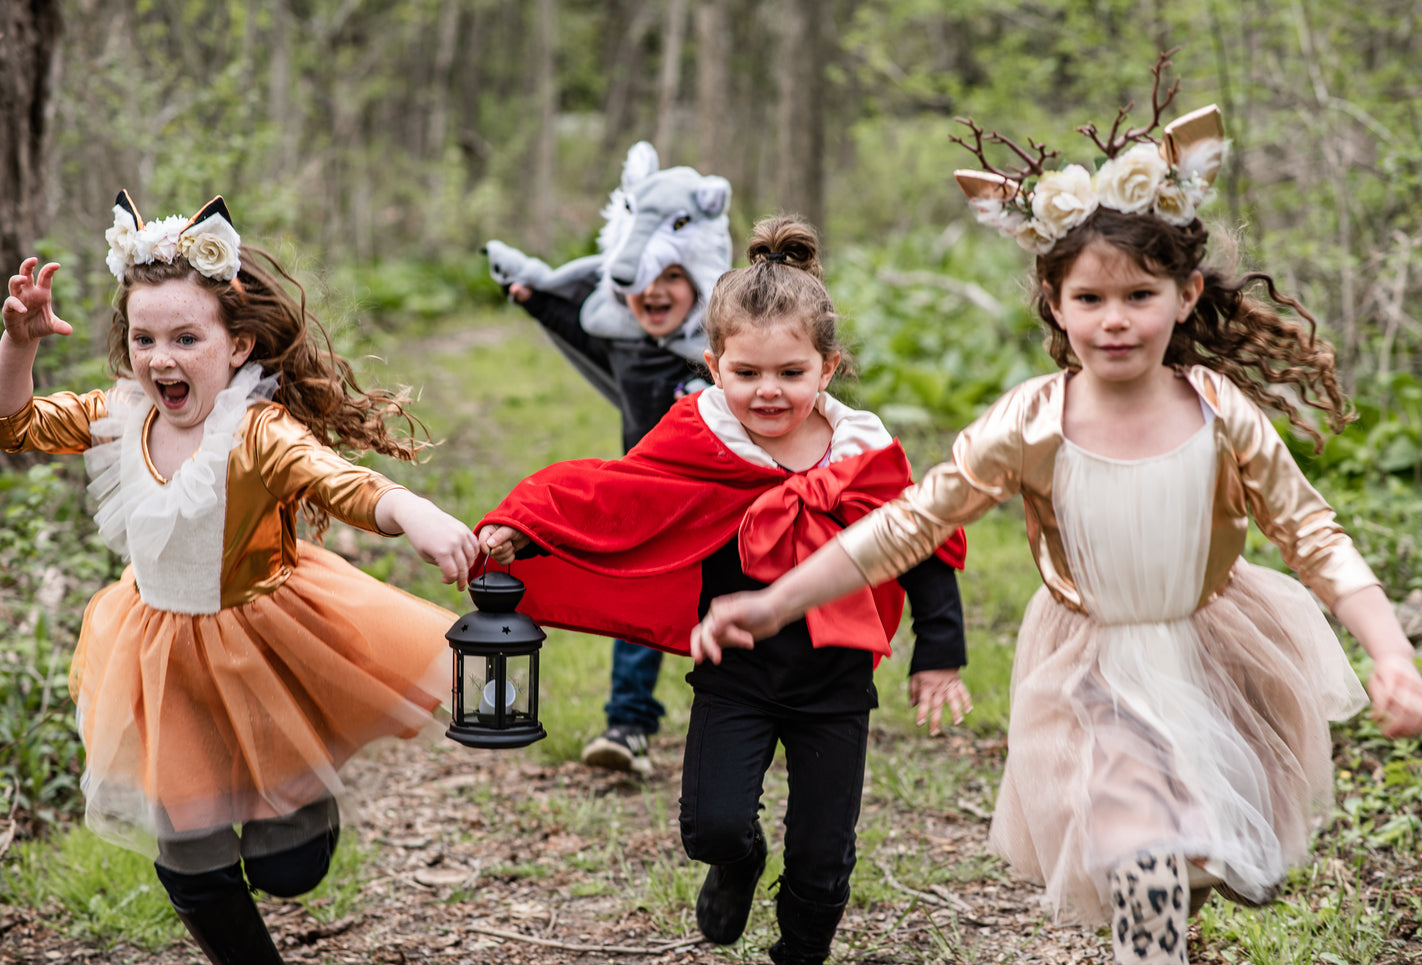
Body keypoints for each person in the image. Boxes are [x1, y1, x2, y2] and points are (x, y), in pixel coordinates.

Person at [692, 94, 1422, 965]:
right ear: (1054, 300)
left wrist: (1387, 650)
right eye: (1089, 296)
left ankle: (1178, 916)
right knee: (1139, 852)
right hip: (1092, 669)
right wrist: (779, 600)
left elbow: (1313, 535)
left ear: (1184, 293)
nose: (1113, 318)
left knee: (1223, 861)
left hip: (1216, 646)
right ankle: (1149, 948)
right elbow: (906, 525)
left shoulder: (1219, 413)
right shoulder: (1032, 423)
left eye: (1138, 295)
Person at [476, 216, 971, 965]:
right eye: (746, 374)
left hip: (835, 682)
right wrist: (524, 529)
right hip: (733, 675)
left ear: (828, 368)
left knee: (822, 849)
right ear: (713, 366)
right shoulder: (700, 437)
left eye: (790, 374)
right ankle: (738, 861)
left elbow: (921, 546)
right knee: (711, 825)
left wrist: (939, 649)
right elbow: (618, 498)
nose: (767, 392)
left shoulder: (865, 455)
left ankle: (799, 951)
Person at [0, 192, 480, 965]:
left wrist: (413, 512)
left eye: (187, 336)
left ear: (238, 345)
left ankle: (301, 812)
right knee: (189, 855)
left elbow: (337, 481)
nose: (161, 358)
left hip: (264, 638)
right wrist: (17, 345)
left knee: (289, 869)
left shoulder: (257, 430)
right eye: (145, 337)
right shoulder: (119, 415)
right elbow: (13, 422)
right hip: (156, 650)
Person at [483, 140, 733, 776]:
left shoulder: (728, 356)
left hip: (728, 508)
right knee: (637, 600)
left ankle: (754, 717)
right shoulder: (627, 346)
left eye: (671, 279)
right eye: (641, 282)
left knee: (733, 607)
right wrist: (536, 298)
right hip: (649, 500)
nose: (653, 292)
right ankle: (627, 726)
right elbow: (582, 332)